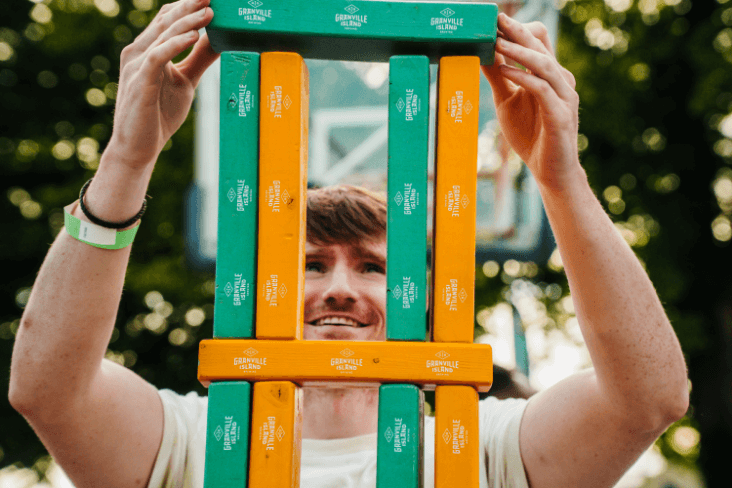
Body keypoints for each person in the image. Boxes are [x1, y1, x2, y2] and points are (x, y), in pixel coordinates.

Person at [8, 0, 689, 487]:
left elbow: (650, 398)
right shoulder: (193, 440)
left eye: (372, 266)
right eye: (309, 263)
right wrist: (128, 158)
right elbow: (46, 389)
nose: (338, 287)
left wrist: (560, 179)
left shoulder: (482, 447)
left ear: (421, 301)